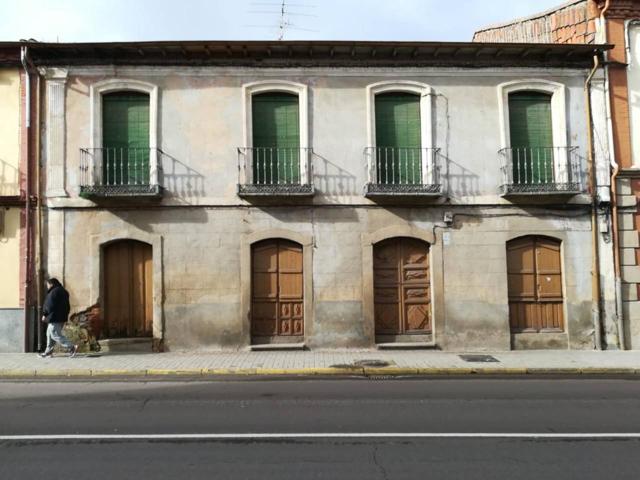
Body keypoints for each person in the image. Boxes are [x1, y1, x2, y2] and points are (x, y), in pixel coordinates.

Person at [39, 278, 78, 358]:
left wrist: (45, 314)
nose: (47, 287)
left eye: (48, 285)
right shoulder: (64, 291)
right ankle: (48, 352)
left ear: (51, 284)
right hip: (61, 317)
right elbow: (67, 306)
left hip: (55, 317)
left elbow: (49, 305)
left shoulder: (54, 292)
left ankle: (71, 347)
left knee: (54, 334)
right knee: (49, 334)